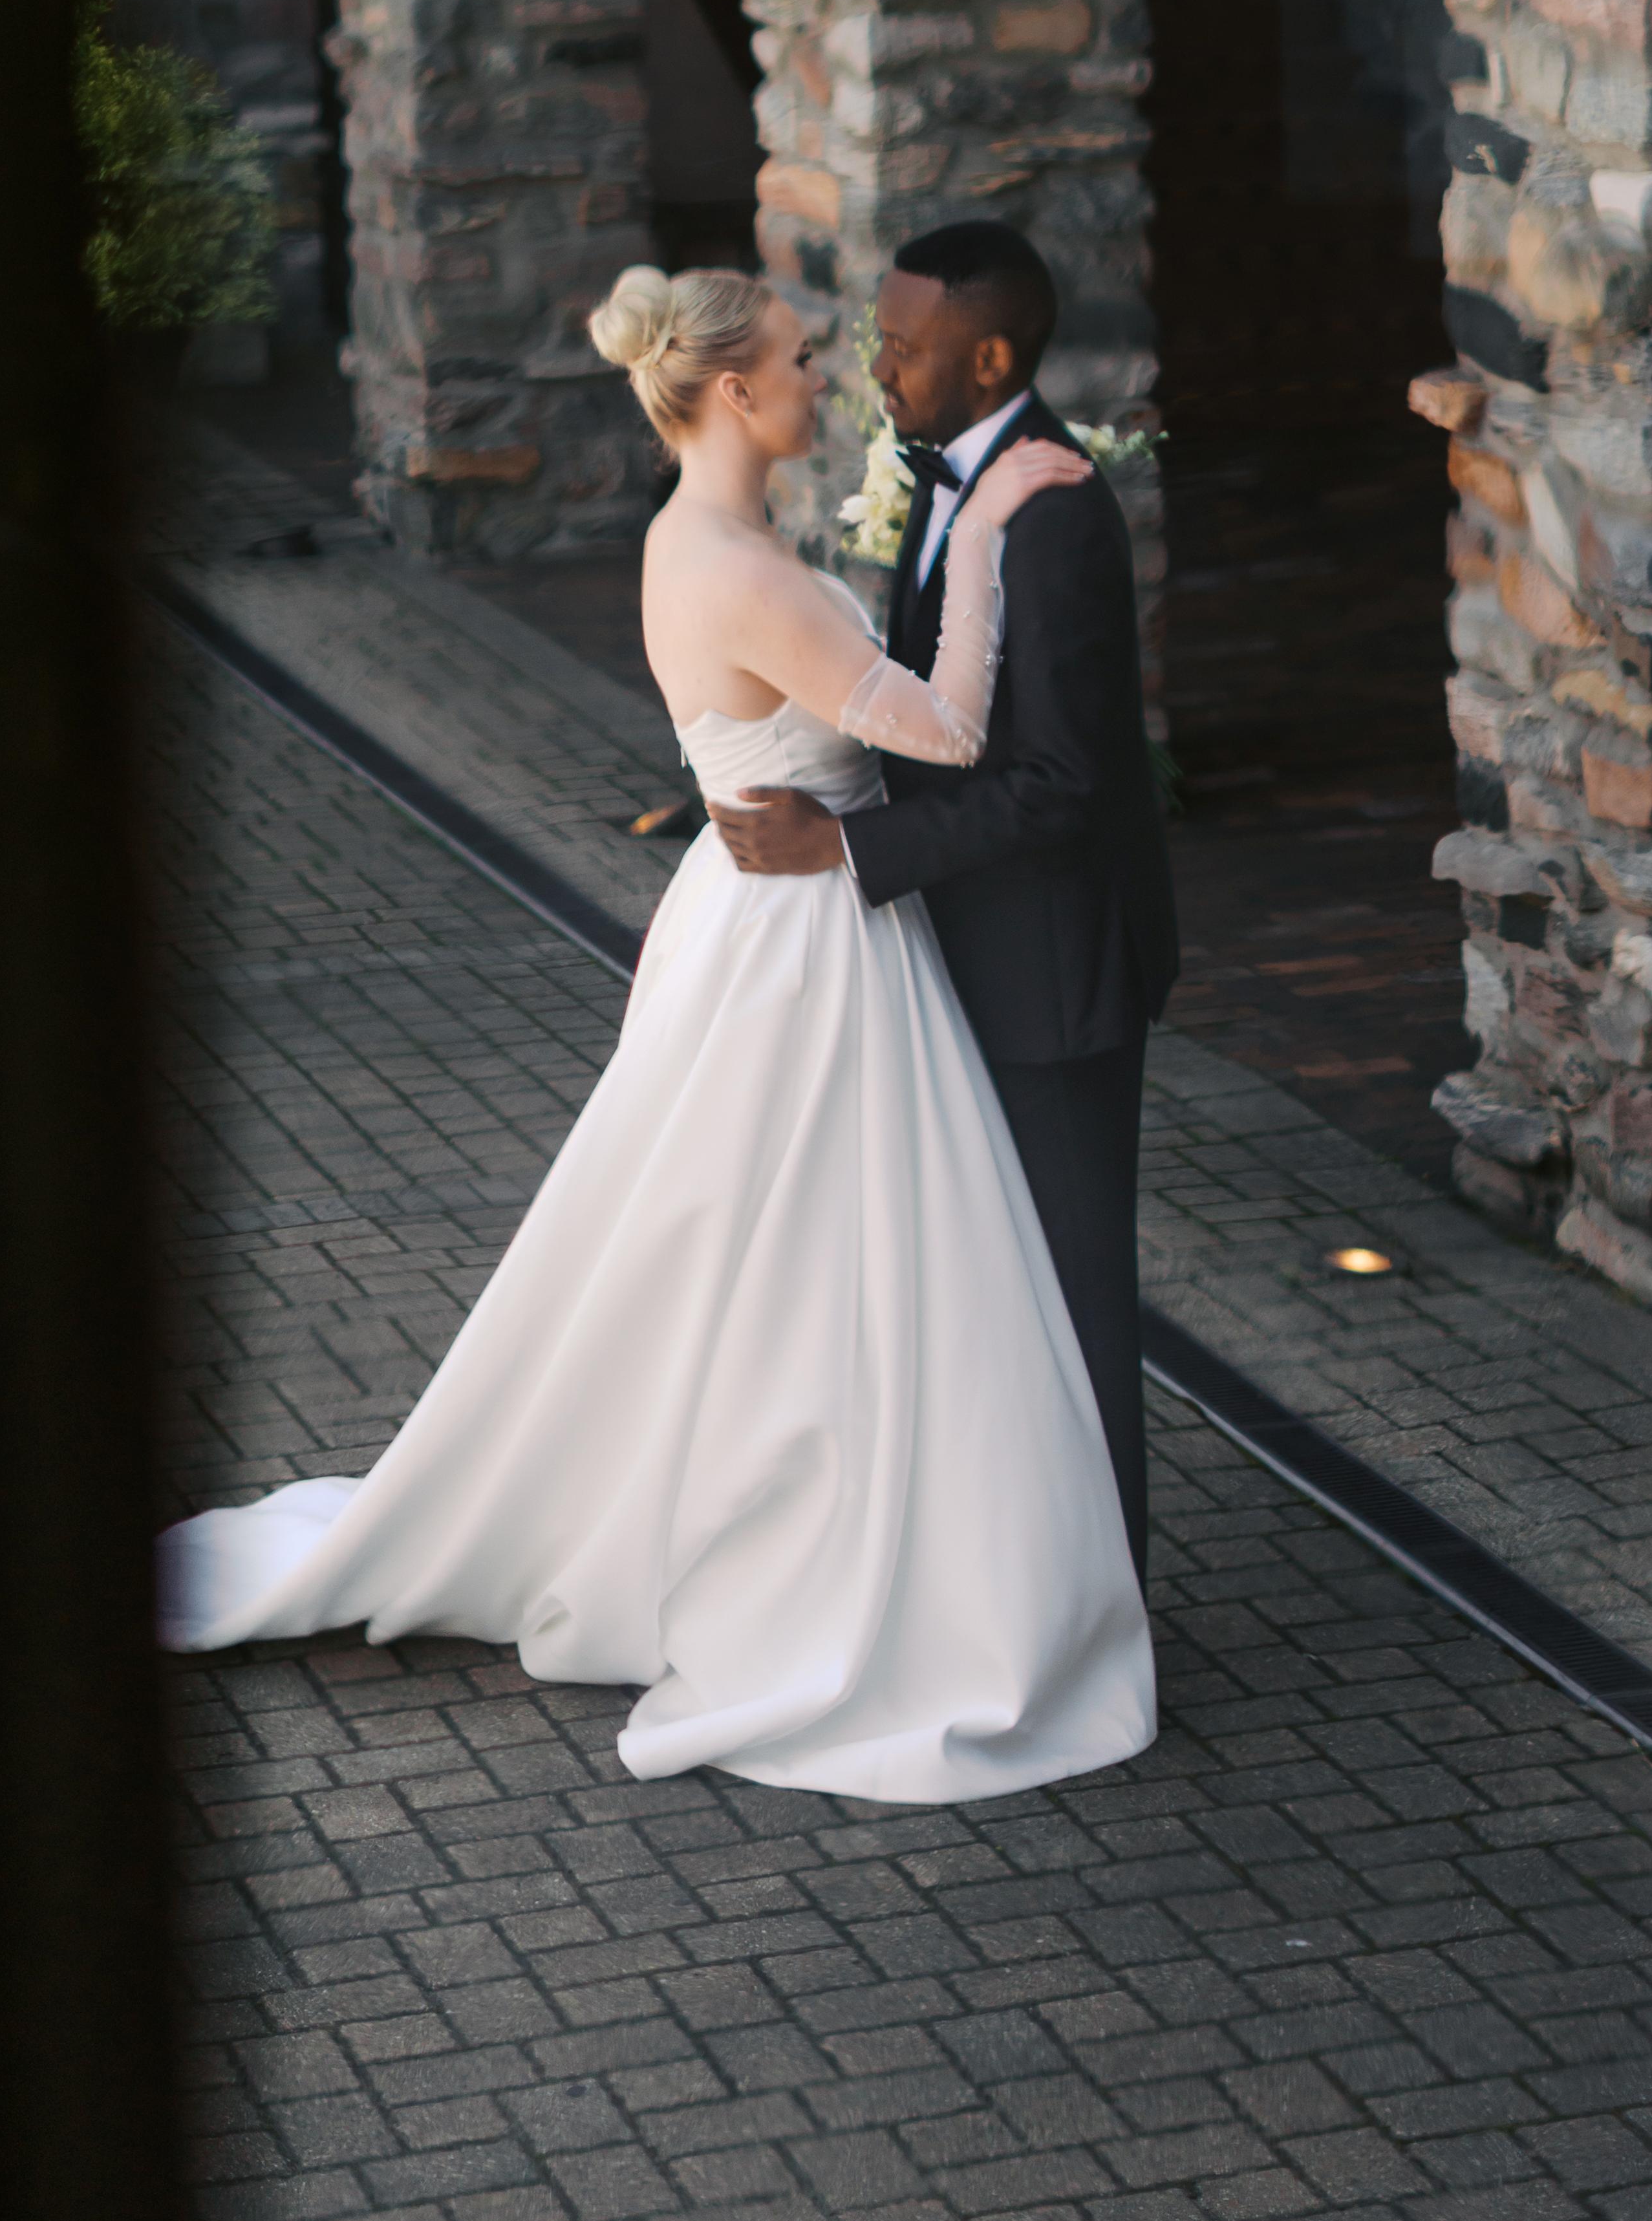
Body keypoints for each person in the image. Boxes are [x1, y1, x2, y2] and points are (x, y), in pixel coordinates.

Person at [156, 263, 1156, 1808]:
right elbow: (953, 728)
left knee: (756, 1249)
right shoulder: (741, 569)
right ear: (736, 391)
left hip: (764, 912)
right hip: (807, 944)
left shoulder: (697, 538)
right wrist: (984, 541)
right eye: (805, 358)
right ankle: (822, 1537)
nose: (829, 377)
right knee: (814, 1253)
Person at [714, 221, 1177, 1574]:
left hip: (1051, 977)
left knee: (1077, 1301)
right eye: (879, 339)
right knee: (993, 1295)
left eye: (907, 347)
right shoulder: (949, 480)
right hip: (963, 952)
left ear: (989, 358)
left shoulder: (1054, 514)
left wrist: (846, 850)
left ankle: (1110, 1605)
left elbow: (1061, 785)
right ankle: (1019, 1575)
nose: (879, 367)